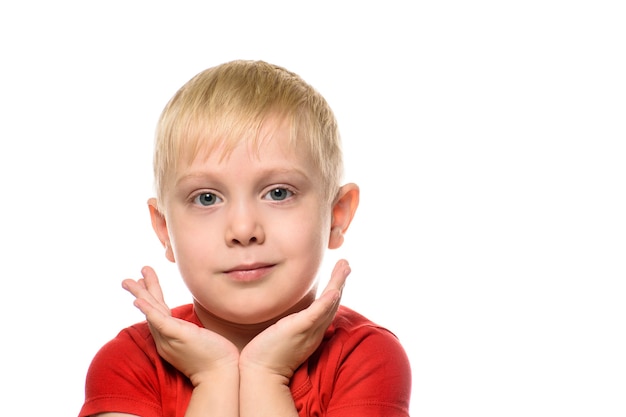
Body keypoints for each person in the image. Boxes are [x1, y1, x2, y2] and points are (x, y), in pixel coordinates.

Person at [78, 59, 412, 417]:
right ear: (164, 229)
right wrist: (214, 375)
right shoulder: (128, 364)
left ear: (337, 215)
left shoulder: (366, 357)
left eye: (279, 193)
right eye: (207, 198)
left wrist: (265, 375)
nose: (243, 230)